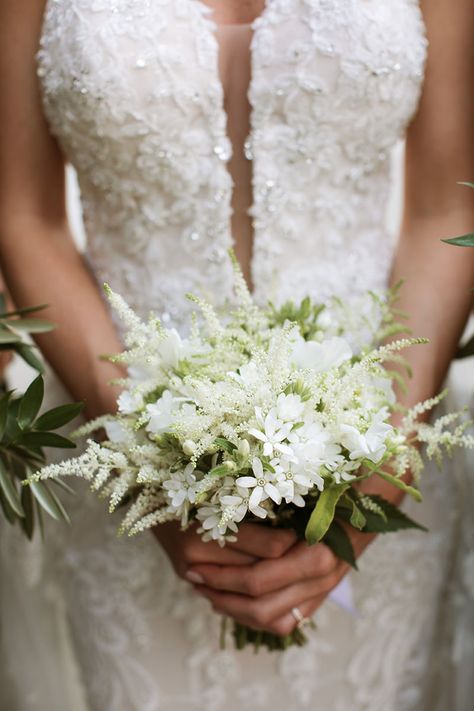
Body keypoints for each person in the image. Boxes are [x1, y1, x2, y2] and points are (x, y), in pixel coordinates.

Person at [0, 1, 473, 709]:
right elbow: (24, 214)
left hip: (380, 439)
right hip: (123, 460)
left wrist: (382, 476)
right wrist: (145, 470)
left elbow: (447, 207)